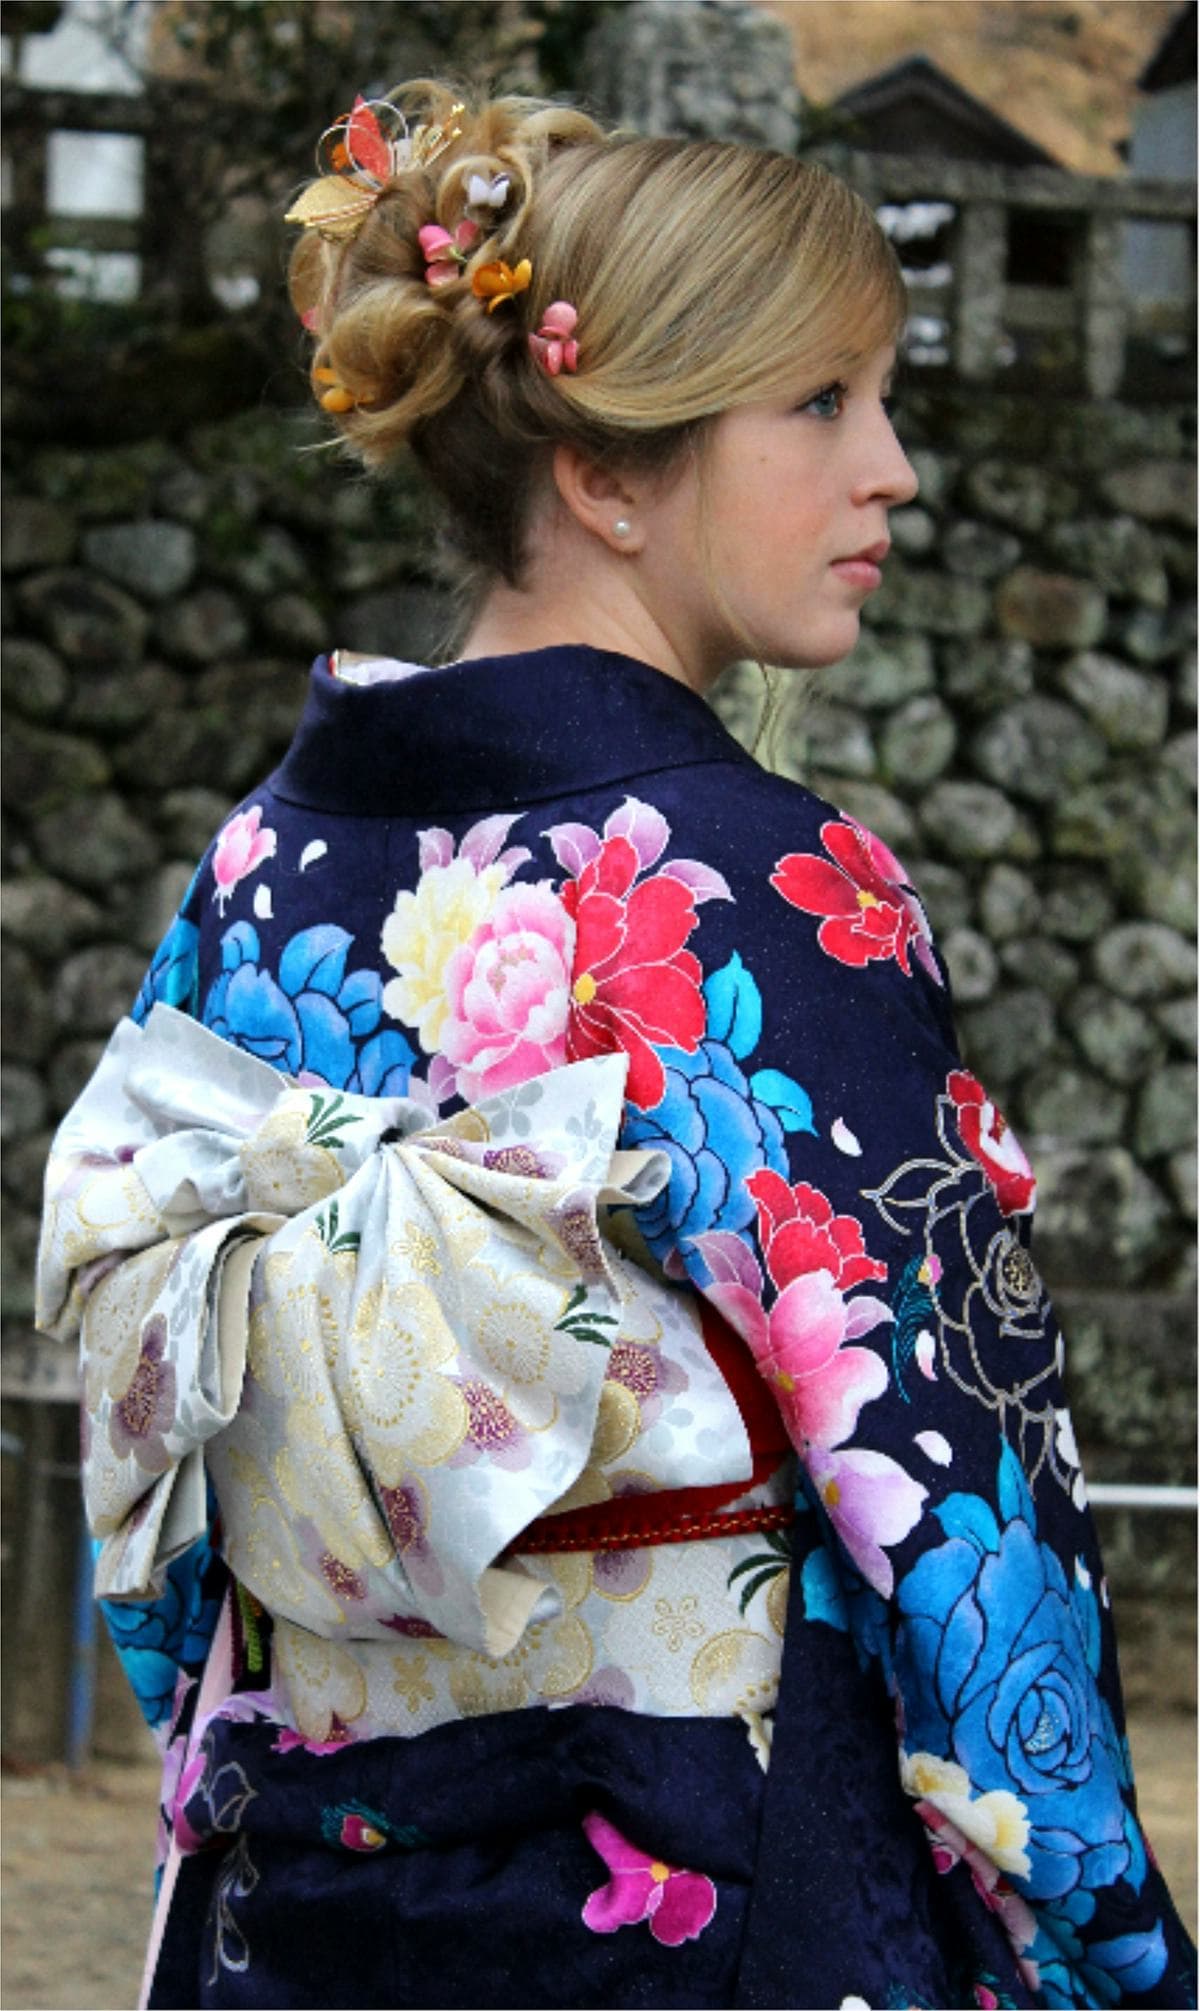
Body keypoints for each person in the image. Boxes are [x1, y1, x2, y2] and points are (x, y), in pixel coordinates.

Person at [36, 79, 1195, 2011]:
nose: (892, 467)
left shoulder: (258, 862)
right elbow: (959, 1496)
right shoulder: (760, 885)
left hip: (302, 1888)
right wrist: (1106, 1932)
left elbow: (169, 1505)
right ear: (607, 473)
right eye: (821, 406)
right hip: (698, 1875)